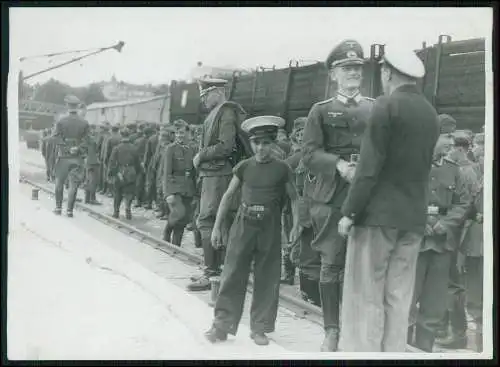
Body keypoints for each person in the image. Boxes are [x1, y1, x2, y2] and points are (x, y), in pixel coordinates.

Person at [337, 44, 440, 352]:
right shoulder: (430, 112)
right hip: (413, 219)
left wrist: (349, 212)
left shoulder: (385, 106)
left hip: (378, 218)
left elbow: (369, 168)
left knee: (366, 294)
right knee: (399, 297)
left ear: (387, 72)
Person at [301, 39, 375, 352]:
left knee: (367, 265)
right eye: (347, 68)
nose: (353, 73)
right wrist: (340, 165)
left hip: (370, 195)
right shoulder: (320, 111)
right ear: (334, 75)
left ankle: (360, 330)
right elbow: (309, 153)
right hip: (331, 196)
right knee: (331, 264)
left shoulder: (375, 108)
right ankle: (331, 330)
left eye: (357, 68)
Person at [204, 115, 299, 346]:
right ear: (252, 144)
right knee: (233, 273)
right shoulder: (244, 167)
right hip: (243, 225)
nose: (261, 148)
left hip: (269, 227)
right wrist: (217, 227)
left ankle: (260, 328)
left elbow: (295, 198)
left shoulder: (282, 169)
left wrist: (296, 226)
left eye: (266, 143)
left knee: (267, 277)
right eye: (257, 143)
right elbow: (227, 197)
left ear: (273, 143)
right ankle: (221, 326)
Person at [407, 133, 471, 352]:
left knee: (434, 303)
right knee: (406, 297)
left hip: (442, 244)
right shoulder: (412, 166)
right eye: (445, 139)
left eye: (451, 142)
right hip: (415, 242)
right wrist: (419, 220)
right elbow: (403, 196)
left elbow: (462, 203)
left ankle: (424, 348)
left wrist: (446, 223)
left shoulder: (454, 170)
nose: (450, 145)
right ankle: (400, 347)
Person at [187, 77, 247, 292]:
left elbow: (226, 146)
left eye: (206, 94)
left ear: (218, 92)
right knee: (215, 222)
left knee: (208, 221)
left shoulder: (226, 112)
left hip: (218, 174)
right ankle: (216, 271)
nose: (202, 99)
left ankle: (213, 272)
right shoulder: (218, 113)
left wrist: (201, 155)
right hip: (213, 174)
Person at [287, 117, 322, 306]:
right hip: (305, 209)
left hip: (321, 208)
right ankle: (308, 293)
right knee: (306, 251)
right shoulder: (298, 158)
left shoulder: (321, 155)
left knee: (318, 253)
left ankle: (313, 294)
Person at [51, 95, 91, 217]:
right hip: (77, 157)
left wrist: (66, 148)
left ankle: (58, 208)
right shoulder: (84, 122)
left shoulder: (61, 121)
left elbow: (55, 137)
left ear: (67, 106)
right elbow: (88, 140)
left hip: (63, 156)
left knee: (59, 183)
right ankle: (69, 211)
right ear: (78, 106)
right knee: (74, 184)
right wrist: (78, 148)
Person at [162, 119, 196, 246]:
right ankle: (167, 230)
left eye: (182, 133)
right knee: (179, 213)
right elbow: (166, 173)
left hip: (188, 188)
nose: (180, 136)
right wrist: (168, 193)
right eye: (177, 133)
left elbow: (193, 171)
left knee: (184, 219)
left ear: (187, 133)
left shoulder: (191, 149)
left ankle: (176, 245)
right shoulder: (170, 149)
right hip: (175, 187)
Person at [107, 128, 142, 220]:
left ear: (121, 135)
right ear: (129, 135)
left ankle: (116, 212)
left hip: (120, 171)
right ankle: (128, 210)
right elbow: (137, 162)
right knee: (129, 192)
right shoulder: (134, 148)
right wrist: (137, 172)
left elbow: (112, 162)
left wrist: (113, 173)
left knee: (118, 192)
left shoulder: (117, 148)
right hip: (131, 171)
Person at [134, 125, 153, 208]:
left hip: (139, 163)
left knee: (139, 183)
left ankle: (138, 200)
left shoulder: (137, 141)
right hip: (149, 164)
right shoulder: (152, 141)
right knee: (148, 183)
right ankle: (147, 201)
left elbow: (135, 154)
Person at [83, 126, 102, 205]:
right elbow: (96, 149)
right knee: (93, 181)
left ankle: (87, 198)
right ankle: (92, 199)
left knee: (88, 180)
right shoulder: (92, 140)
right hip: (93, 161)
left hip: (87, 161)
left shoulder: (83, 139)